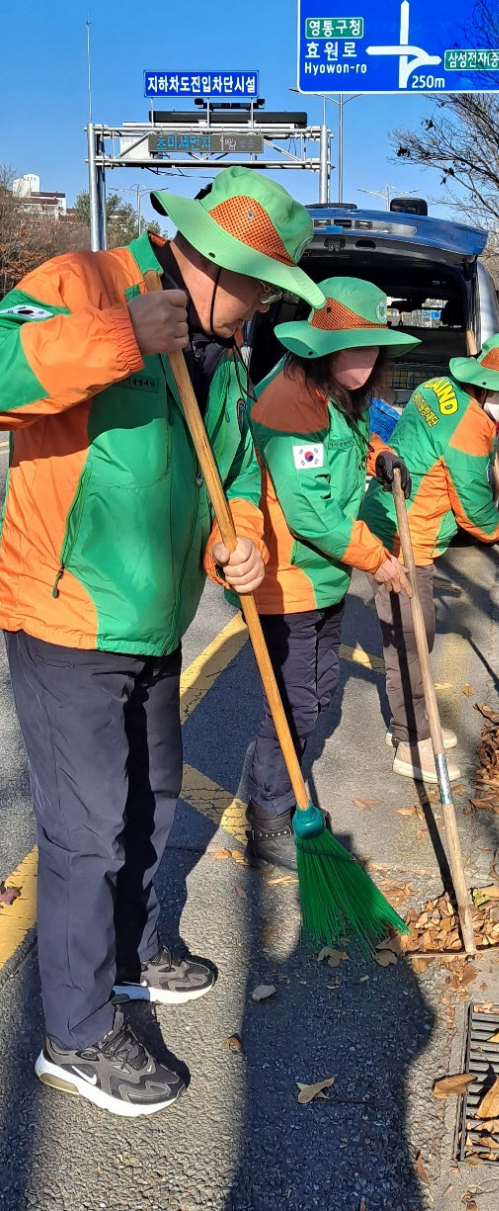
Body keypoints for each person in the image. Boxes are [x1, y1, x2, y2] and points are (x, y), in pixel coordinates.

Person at [0, 166, 325, 1116]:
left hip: (158, 623)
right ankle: (75, 1030)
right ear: (214, 260)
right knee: (83, 831)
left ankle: (137, 948)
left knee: (153, 796)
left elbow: (234, 482)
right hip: (67, 618)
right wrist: (119, 336)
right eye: (261, 287)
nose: (262, 308)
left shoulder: (221, 354)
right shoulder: (82, 283)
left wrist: (249, 550)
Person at [242, 277, 419, 870]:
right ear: (318, 346)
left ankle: (277, 785)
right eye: (351, 348)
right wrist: (379, 558)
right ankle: (268, 814)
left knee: (316, 694)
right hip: (285, 580)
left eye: (372, 350)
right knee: (294, 702)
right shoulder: (289, 403)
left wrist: (380, 455)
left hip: (319, 580)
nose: (363, 362)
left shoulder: (327, 397)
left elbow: (348, 439)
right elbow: (310, 510)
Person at [360, 333, 499, 784]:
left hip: (393, 515)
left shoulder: (439, 388)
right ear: (487, 387)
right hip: (402, 536)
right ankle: (411, 741)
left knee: (417, 633)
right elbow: (476, 511)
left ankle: (415, 723)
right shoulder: (469, 427)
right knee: (412, 639)